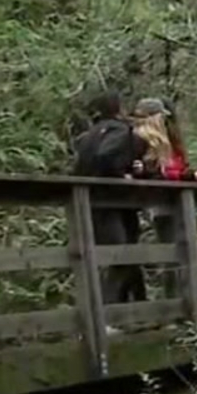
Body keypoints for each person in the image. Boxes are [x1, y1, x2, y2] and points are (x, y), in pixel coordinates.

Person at [70, 90, 149, 305]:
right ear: (119, 109)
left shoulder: (88, 136)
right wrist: (121, 174)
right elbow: (106, 155)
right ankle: (108, 314)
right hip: (112, 201)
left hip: (88, 202)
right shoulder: (121, 131)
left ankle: (137, 309)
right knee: (121, 255)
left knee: (125, 255)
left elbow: (80, 167)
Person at [129, 97, 197, 298]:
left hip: (172, 200)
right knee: (173, 253)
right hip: (161, 202)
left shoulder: (164, 140)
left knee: (180, 252)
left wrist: (188, 173)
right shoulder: (142, 139)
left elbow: (171, 167)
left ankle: (182, 302)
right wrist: (190, 176)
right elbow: (158, 171)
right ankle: (175, 303)